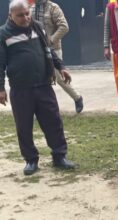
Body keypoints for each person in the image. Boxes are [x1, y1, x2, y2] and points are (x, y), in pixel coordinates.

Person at [0, 0, 75, 175]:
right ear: (11, 15)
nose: (26, 18)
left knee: (53, 122)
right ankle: (31, 160)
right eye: (20, 15)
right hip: (21, 89)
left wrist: (61, 66)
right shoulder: (4, 34)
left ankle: (59, 157)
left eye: (27, 13)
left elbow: (49, 49)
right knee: (24, 126)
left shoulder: (38, 27)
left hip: (43, 85)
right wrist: (1, 88)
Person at [31, 0, 84, 114]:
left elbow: (64, 27)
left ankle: (77, 98)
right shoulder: (31, 7)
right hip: (37, 48)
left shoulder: (53, 8)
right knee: (39, 78)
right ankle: (41, 109)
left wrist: (51, 40)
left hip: (53, 48)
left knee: (59, 77)